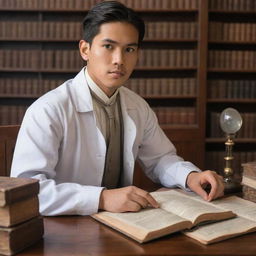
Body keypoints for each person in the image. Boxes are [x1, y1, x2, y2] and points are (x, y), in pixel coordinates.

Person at [11, 1, 224, 216]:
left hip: (124, 223)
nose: (119, 60)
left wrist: (190, 176)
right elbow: (26, 190)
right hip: (65, 230)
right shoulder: (48, 109)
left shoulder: (137, 106)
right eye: (108, 46)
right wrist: (101, 198)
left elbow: (160, 159)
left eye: (129, 49)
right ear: (85, 49)